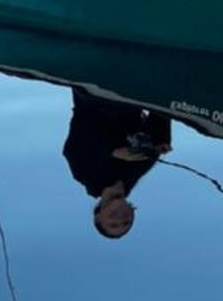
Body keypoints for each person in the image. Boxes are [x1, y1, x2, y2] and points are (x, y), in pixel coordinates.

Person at [63, 89, 172, 239]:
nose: (120, 219)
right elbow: (160, 115)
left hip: (93, 92)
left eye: (113, 224)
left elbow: (74, 146)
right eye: (127, 222)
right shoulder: (138, 169)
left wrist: (112, 151)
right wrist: (161, 141)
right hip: (130, 93)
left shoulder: (84, 174)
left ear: (98, 215)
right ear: (132, 214)